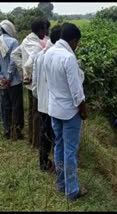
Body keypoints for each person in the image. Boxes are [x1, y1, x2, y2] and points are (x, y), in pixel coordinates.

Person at [44, 23, 88, 200]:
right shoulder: (68, 58)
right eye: (77, 43)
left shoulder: (49, 53)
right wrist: (83, 110)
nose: (76, 46)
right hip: (70, 112)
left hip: (54, 109)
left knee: (59, 146)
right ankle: (72, 190)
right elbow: (76, 91)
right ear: (74, 40)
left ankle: (61, 184)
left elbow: (49, 81)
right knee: (70, 150)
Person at [11, 17, 47, 147]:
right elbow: (31, 61)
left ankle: (31, 138)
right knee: (37, 112)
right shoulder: (36, 45)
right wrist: (27, 69)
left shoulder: (26, 40)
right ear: (40, 29)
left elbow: (14, 55)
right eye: (45, 29)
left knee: (32, 111)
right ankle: (36, 142)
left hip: (28, 82)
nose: (46, 32)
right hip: (35, 83)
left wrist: (23, 71)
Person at [32, 25, 61, 172]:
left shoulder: (40, 55)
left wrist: (39, 97)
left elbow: (35, 83)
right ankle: (56, 165)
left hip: (43, 104)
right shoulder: (57, 56)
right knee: (56, 136)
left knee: (44, 135)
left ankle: (44, 163)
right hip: (55, 105)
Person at [0, 20, 24, 140]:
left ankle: (7, 129)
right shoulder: (13, 42)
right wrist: (9, 77)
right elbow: (13, 62)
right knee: (16, 106)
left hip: (2, 82)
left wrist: (2, 78)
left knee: (5, 105)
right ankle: (17, 131)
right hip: (14, 81)